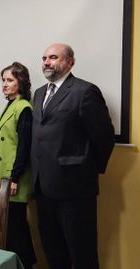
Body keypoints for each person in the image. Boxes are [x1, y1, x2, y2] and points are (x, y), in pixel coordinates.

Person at [31, 43, 115, 269]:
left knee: (81, 252)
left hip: (74, 189)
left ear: (70, 62)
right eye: (44, 57)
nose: (47, 62)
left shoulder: (84, 91)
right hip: (43, 187)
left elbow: (104, 137)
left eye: (53, 57)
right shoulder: (39, 93)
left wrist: (85, 170)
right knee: (53, 249)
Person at [0, 62, 36, 268]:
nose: (4, 85)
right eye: (3, 80)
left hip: (13, 178)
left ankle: (26, 264)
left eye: (10, 80)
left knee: (16, 227)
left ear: (21, 83)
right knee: (7, 226)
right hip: (2, 175)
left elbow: (24, 146)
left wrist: (15, 177)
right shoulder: (10, 104)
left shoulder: (24, 107)